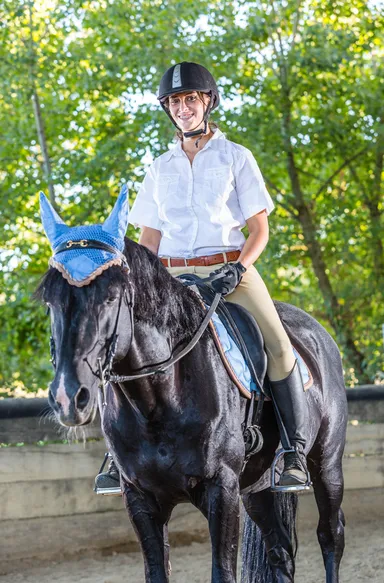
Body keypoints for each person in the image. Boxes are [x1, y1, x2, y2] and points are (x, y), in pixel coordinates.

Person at [95, 62, 309, 495]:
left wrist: (239, 269)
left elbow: (259, 228)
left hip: (231, 269)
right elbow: (148, 239)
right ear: (168, 109)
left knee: (279, 344)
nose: (183, 107)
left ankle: (295, 452)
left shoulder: (236, 157)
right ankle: (117, 458)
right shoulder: (158, 168)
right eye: (175, 101)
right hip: (170, 279)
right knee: (122, 342)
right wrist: (135, 281)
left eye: (190, 99)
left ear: (207, 101)